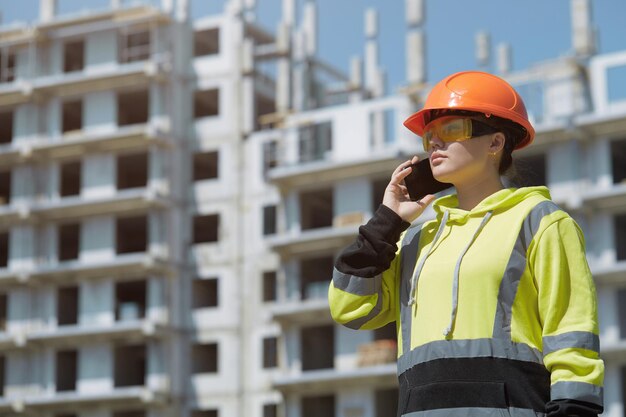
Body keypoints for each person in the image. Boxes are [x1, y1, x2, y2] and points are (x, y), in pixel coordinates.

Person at [328, 71, 604, 417]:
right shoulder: (417, 238)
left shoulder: (540, 221)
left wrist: (574, 409)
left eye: (452, 129)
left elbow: (571, 330)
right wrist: (387, 222)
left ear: (495, 143)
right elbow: (351, 309)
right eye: (429, 135)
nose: (434, 144)